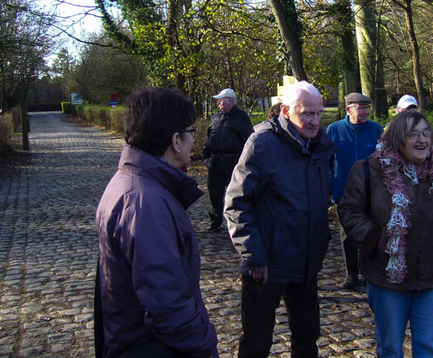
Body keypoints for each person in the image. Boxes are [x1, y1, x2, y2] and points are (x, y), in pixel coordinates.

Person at [95, 88, 218, 358]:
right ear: (176, 140)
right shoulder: (145, 201)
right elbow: (166, 304)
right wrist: (204, 346)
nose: (193, 141)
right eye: (192, 132)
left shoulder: (133, 183)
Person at [338, 110, 433, 358]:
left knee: (431, 349)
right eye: (413, 135)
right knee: (389, 349)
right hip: (386, 278)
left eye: (426, 133)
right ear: (397, 139)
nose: (422, 140)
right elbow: (350, 211)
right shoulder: (369, 170)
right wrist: (374, 239)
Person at [224, 81, 337, 358]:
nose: (315, 121)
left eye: (319, 113)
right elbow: (236, 203)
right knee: (257, 342)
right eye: (307, 113)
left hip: (306, 263)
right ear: (286, 111)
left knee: (308, 337)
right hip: (267, 265)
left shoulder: (322, 145)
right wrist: (254, 255)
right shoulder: (262, 143)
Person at [326, 92, 383, 290]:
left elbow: (385, 161)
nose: (365, 112)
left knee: (372, 232)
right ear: (349, 109)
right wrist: (333, 187)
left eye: (367, 108)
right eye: (361, 108)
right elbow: (326, 162)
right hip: (344, 193)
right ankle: (351, 273)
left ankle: (368, 271)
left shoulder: (376, 130)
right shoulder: (334, 130)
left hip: (372, 193)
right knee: (347, 234)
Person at [203, 88, 254, 233]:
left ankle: (239, 221)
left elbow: (248, 140)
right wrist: (206, 155)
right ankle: (215, 221)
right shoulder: (215, 117)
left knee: (236, 193)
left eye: (221, 99)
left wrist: (246, 161)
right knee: (214, 192)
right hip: (215, 160)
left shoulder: (241, 117)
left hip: (233, 160)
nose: (219, 103)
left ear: (230, 100)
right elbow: (209, 138)